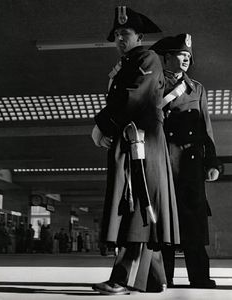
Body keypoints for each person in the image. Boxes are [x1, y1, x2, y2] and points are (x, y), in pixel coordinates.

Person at [91, 6, 180, 295]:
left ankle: (122, 278)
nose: (120, 38)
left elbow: (134, 96)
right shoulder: (130, 61)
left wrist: (102, 124)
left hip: (142, 144)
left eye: (125, 33)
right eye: (116, 34)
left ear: (139, 35)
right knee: (141, 205)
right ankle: (154, 279)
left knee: (135, 203)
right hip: (135, 140)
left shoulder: (146, 57)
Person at [150, 33, 220, 288]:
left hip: (190, 167)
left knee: (194, 225)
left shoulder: (196, 89)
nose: (186, 59)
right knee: (164, 224)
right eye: (181, 55)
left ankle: (199, 277)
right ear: (167, 58)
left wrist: (212, 163)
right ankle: (162, 277)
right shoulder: (153, 84)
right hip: (163, 165)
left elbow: (205, 129)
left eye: (189, 56)